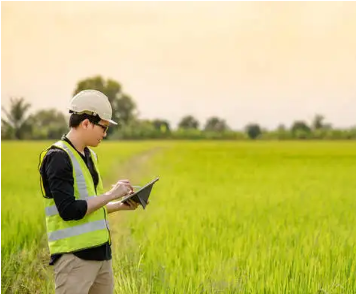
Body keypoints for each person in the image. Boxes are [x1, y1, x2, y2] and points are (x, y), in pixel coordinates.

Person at [38, 89, 138, 294]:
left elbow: (90, 206)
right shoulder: (57, 157)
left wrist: (120, 205)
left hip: (101, 256)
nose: (105, 134)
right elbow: (69, 210)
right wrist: (111, 194)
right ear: (85, 123)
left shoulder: (90, 156)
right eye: (103, 127)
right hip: (74, 260)